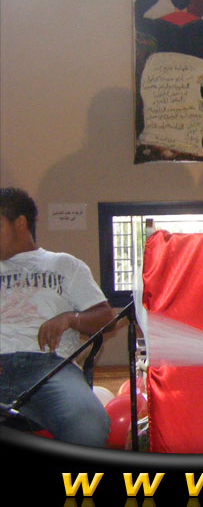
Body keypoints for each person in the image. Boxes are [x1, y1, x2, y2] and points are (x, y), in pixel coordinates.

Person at [0, 188, 114, 446]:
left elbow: (106, 317)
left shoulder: (64, 265)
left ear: (20, 223)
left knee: (89, 425)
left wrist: (70, 318)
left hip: (50, 367)